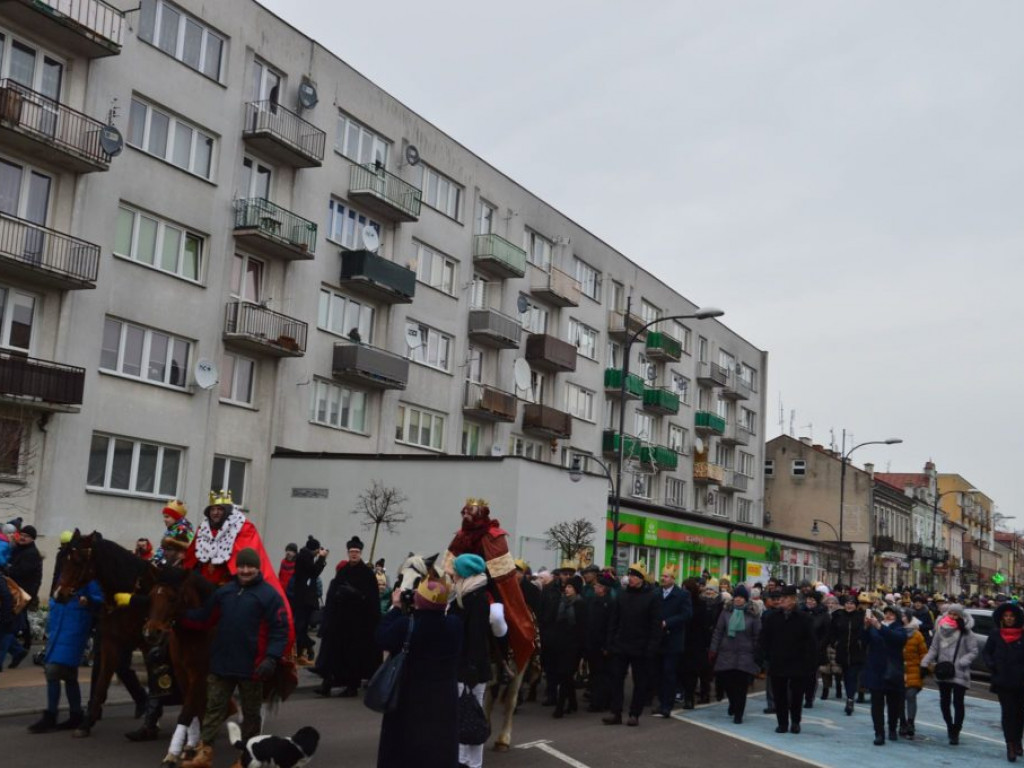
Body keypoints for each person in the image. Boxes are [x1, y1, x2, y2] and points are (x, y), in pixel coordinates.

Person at [180, 548, 289, 768]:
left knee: (250, 715)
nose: (246, 570)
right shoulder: (224, 593)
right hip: (222, 664)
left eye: (250, 567)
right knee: (213, 709)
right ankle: (205, 753)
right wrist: (178, 615)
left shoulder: (269, 596)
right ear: (236, 567)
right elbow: (204, 618)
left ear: (258, 568)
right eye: (242, 566)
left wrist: (271, 658)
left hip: (253, 667)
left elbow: (280, 630)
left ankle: (248, 758)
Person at [376, 578, 462, 768]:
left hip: (410, 698)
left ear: (418, 602)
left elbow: (382, 637)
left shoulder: (406, 625)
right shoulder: (454, 625)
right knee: (440, 749)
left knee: (405, 750)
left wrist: (397, 607)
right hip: (443, 700)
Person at [26, 574, 103, 733]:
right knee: (68, 675)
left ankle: (52, 715)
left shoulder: (88, 576)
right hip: (62, 624)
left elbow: (98, 599)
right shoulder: (68, 569)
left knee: (53, 670)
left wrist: (86, 600)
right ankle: (75, 714)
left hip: (74, 625)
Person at [314, 536, 380, 697]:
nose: (354, 554)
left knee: (353, 657)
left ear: (361, 553)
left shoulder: (367, 574)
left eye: (356, 552)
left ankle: (352, 686)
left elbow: (372, 599)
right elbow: (333, 592)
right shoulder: (343, 571)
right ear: (348, 553)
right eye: (351, 552)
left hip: (357, 624)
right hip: (339, 622)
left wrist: (357, 595)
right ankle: (327, 684)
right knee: (332, 654)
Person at [449, 553, 494, 768]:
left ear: (465, 572)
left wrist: (471, 671)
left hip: (470, 669)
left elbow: (476, 637)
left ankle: (472, 763)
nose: (453, 572)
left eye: (456, 569)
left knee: (471, 717)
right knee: (464, 715)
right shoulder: (464, 593)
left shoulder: (475, 598)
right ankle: (463, 760)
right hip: (465, 666)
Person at [602, 562, 660, 727]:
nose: (631, 578)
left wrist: (651, 648)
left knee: (639, 682)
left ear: (641, 579)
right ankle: (616, 712)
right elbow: (614, 620)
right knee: (616, 679)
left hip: (640, 647)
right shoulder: (622, 595)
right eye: (630, 575)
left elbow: (655, 625)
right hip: (621, 645)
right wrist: (610, 642)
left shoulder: (651, 596)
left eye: (635, 576)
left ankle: (635, 713)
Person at [759, 584, 816, 734]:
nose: (780, 601)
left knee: (797, 695)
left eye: (784, 598)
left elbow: (811, 642)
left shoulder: (804, 618)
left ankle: (795, 721)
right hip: (778, 662)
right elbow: (764, 638)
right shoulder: (772, 617)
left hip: (798, 663)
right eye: (779, 598)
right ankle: (782, 723)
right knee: (779, 695)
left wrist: (809, 662)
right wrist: (766, 657)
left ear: (793, 600)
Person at [922, 603, 979, 745]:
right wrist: (924, 663)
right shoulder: (941, 630)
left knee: (958, 703)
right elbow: (934, 649)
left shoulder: (966, 632)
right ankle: (949, 726)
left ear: (961, 616)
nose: (953, 617)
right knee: (944, 702)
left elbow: (973, 651)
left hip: (960, 672)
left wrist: (962, 662)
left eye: (956, 615)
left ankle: (956, 730)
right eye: (951, 614)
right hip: (943, 671)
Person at [709, 584, 761, 724]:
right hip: (727, 653)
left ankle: (739, 714)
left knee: (741, 686)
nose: (738, 599)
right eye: (736, 596)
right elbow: (718, 631)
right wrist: (713, 648)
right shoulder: (726, 612)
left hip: (745, 654)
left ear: (746, 599)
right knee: (728, 683)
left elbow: (757, 635)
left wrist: (757, 653)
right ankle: (732, 703)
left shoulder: (752, 614)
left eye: (741, 597)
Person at [983, 601, 1024, 762]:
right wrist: (992, 665)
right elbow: (986, 652)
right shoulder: (995, 634)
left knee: (1020, 713)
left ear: (1016, 618)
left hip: (1021, 681)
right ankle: (1010, 745)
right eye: (1006, 616)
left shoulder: (1022, 634)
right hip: (1002, 680)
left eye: (1011, 616)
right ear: (1001, 618)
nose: (1008, 619)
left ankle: (1018, 740)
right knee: (1007, 713)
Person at [861, 606, 906, 746]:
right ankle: (879, 733)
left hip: (893, 671)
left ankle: (892, 728)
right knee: (877, 705)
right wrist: (866, 628)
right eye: (886, 613)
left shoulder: (899, 629)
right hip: (876, 670)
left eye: (891, 614)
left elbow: (896, 639)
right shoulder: (876, 627)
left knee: (893, 704)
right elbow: (864, 641)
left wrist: (879, 626)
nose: (888, 616)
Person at [653, 566, 692, 717]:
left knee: (669, 673)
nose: (663, 578)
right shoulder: (656, 593)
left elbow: (686, 615)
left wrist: (667, 622)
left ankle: (667, 705)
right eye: (662, 576)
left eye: (667, 576)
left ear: (674, 579)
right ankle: (661, 701)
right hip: (658, 640)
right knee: (658, 674)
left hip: (672, 640)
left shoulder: (682, 595)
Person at [549, 574, 587, 719]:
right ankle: (572, 703)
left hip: (574, 646)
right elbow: (556, 622)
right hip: (560, 645)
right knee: (564, 675)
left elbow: (583, 627)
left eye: (570, 586)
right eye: (567, 586)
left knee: (565, 674)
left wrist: (582, 650)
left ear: (576, 589)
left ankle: (559, 707)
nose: (567, 589)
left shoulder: (580, 604)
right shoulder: (562, 603)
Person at [4, 524, 42, 668]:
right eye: (22, 535)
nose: (23, 538)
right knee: (9, 625)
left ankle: (17, 650)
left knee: (8, 626)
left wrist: (7, 568)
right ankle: (17, 650)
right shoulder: (18, 549)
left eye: (26, 536)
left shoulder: (31, 554)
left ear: (32, 539)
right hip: (14, 592)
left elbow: (20, 572)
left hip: (20, 594)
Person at [291, 536, 327, 666]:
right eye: (317, 550)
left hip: (304, 599)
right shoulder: (305, 557)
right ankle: (308, 647)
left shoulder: (305, 556)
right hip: (304, 599)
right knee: (300, 627)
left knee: (302, 627)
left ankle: (301, 653)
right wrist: (322, 558)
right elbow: (314, 572)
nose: (318, 552)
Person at [584, 573, 614, 712]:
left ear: (603, 588)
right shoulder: (592, 601)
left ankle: (601, 701)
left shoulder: (610, 603)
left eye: (597, 586)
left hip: (603, 644)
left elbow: (611, 626)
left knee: (602, 674)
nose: (595, 587)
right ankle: (597, 699)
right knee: (595, 673)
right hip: (592, 643)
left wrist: (608, 645)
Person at [679, 577, 710, 710]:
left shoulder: (700, 604)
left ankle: (693, 696)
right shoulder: (681, 603)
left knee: (694, 672)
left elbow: (705, 625)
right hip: (683, 640)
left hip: (696, 642)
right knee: (684, 672)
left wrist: (706, 643)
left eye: (685, 589)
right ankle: (687, 696)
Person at [899, 607, 928, 740]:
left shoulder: (917, 635)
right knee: (899, 697)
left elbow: (923, 652)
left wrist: (924, 667)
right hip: (898, 669)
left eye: (905, 616)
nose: (902, 618)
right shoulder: (896, 631)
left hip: (914, 669)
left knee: (910, 695)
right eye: (901, 616)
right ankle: (902, 722)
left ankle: (910, 722)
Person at [802, 591, 830, 708]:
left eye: (813, 600)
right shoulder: (801, 612)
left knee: (811, 676)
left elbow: (827, 634)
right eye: (808, 599)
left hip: (815, 650)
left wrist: (819, 646)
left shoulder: (823, 615)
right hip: (800, 649)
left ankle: (809, 698)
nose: (809, 602)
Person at [154, 499, 193, 565]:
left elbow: (189, 547)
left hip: (176, 568)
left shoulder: (183, 529)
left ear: (176, 517)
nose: (164, 520)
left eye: (167, 517)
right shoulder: (172, 529)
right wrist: (157, 558)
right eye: (164, 517)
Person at [818, 594, 843, 701]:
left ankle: (838, 686)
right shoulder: (823, 615)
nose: (830, 605)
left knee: (837, 669)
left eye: (833, 603)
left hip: (835, 645)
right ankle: (825, 689)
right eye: (828, 603)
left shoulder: (840, 615)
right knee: (825, 669)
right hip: (824, 644)